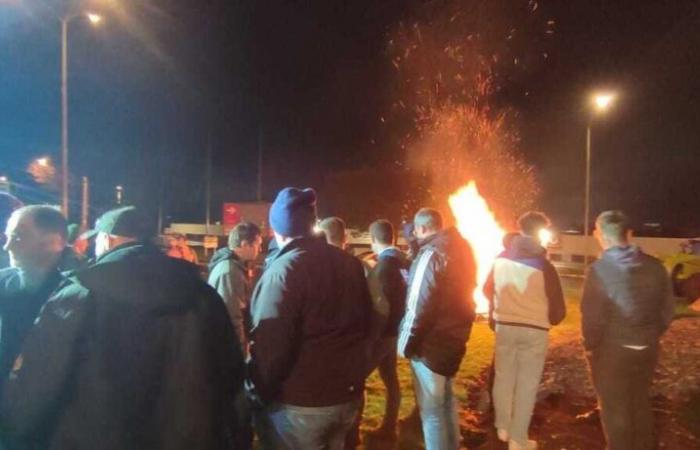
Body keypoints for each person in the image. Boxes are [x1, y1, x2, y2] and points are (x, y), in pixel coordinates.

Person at [0, 206, 245, 450]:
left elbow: (39, 381)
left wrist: (14, 433)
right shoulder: (204, 296)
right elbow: (231, 372)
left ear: (106, 239)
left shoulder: (80, 292)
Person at [248, 188, 372, 450]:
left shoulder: (283, 271)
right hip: (346, 397)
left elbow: (271, 347)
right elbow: (366, 324)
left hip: (301, 404)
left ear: (277, 229)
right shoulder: (350, 263)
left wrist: (256, 392)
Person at [581, 210, 674, 450]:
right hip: (647, 349)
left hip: (613, 351)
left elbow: (593, 318)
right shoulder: (655, 267)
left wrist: (591, 346)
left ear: (599, 235)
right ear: (628, 235)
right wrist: (650, 335)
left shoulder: (600, 270)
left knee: (616, 412)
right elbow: (667, 311)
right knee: (640, 403)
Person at [483, 212, 566, 450]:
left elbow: (487, 289)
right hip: (534, 330)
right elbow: (558, 308)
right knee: (527, 384)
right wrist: (549, 318)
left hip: (505, 326)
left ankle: (502, 427)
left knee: (504, 376)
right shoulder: (544, 266)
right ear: (540, 233)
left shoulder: (501, 258)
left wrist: (502, 308)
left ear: (520, 229)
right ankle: (518, 439)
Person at [398, 208, 477, 450]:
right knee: (446, 405)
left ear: (421, 228)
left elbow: (417, 305)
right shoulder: (461, 249)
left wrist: (403, 346)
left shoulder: (431, 254)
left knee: (431, 413)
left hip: (430, 347)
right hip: (454, 340)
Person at [0, 205, 67, 388]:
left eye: (18, 237)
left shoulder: (74, 295)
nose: (7, 246)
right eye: (7, 237)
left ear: (54, 242)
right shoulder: (2, 281)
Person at [365, 219, 409, 441]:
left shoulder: (384, 267)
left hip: (382, 334)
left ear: (373, 240)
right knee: (391, 379)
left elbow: (380, 306)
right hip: (395, 331)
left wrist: (370, 339)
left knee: (357, 377)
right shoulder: (404, 262)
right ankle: (390, 426)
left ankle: (350, 431)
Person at [208, 222, 263, 350]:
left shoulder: (234, 267)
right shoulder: (229, 271)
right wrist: (241, 353)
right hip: (227, 349)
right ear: (244, 245)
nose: (260, 249)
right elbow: (232, 318)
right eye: (257, 244)